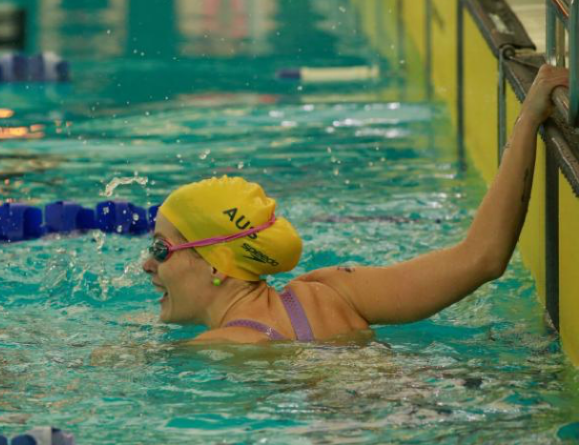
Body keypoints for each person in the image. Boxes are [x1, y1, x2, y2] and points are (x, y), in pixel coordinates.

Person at [141, 64, 569, 344]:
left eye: (160, 248)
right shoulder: (331, 292)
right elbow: (482, 258)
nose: (147, 263)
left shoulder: (219, 345)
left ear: (217, 263)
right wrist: (528, 118)